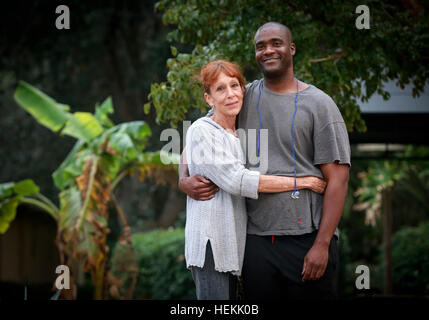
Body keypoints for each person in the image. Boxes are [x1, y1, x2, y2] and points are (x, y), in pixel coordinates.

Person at [179, 22, 351, 300]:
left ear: (291, 49)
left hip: (306, 240)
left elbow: (339, 180)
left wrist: (323, 244)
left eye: (276, 43)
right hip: (254, 242)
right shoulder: (243, 96)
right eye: (261, 46)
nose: (268, 50)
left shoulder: (320, 104)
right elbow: (196, 137)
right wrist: (183, 179)